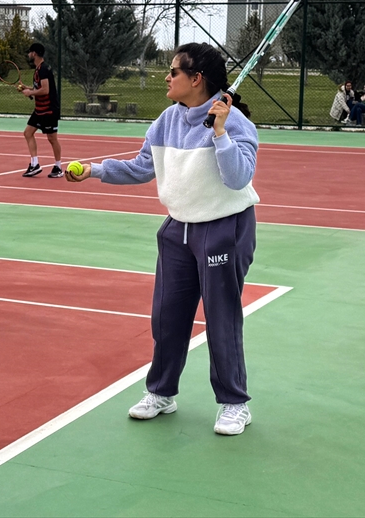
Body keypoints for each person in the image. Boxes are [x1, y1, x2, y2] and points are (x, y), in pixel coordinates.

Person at [65, 42, 259, 436]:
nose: (166, 77)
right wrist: (95, 170)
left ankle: (234, 403)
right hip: (177, 230)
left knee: (221, 318)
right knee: (167, 317)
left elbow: (238, 178)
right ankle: (161, 392)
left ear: (196, 79)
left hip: (224, 229)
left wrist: (220, 133)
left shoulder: (235, 122)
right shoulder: (167, 120)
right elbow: (142, 167)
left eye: (173, 71)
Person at [18, 42, 63, 178]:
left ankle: (58, 167)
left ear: (34, 53)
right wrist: (27, 88)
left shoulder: (43, 69)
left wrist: (30, 93)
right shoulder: (38, 69)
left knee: (52, 138)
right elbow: (39, 88)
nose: (28, 54)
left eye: (30, 52)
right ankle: (35, 164)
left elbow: (45, 90)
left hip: (49, 110)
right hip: (39, 110)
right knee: (28, 133)